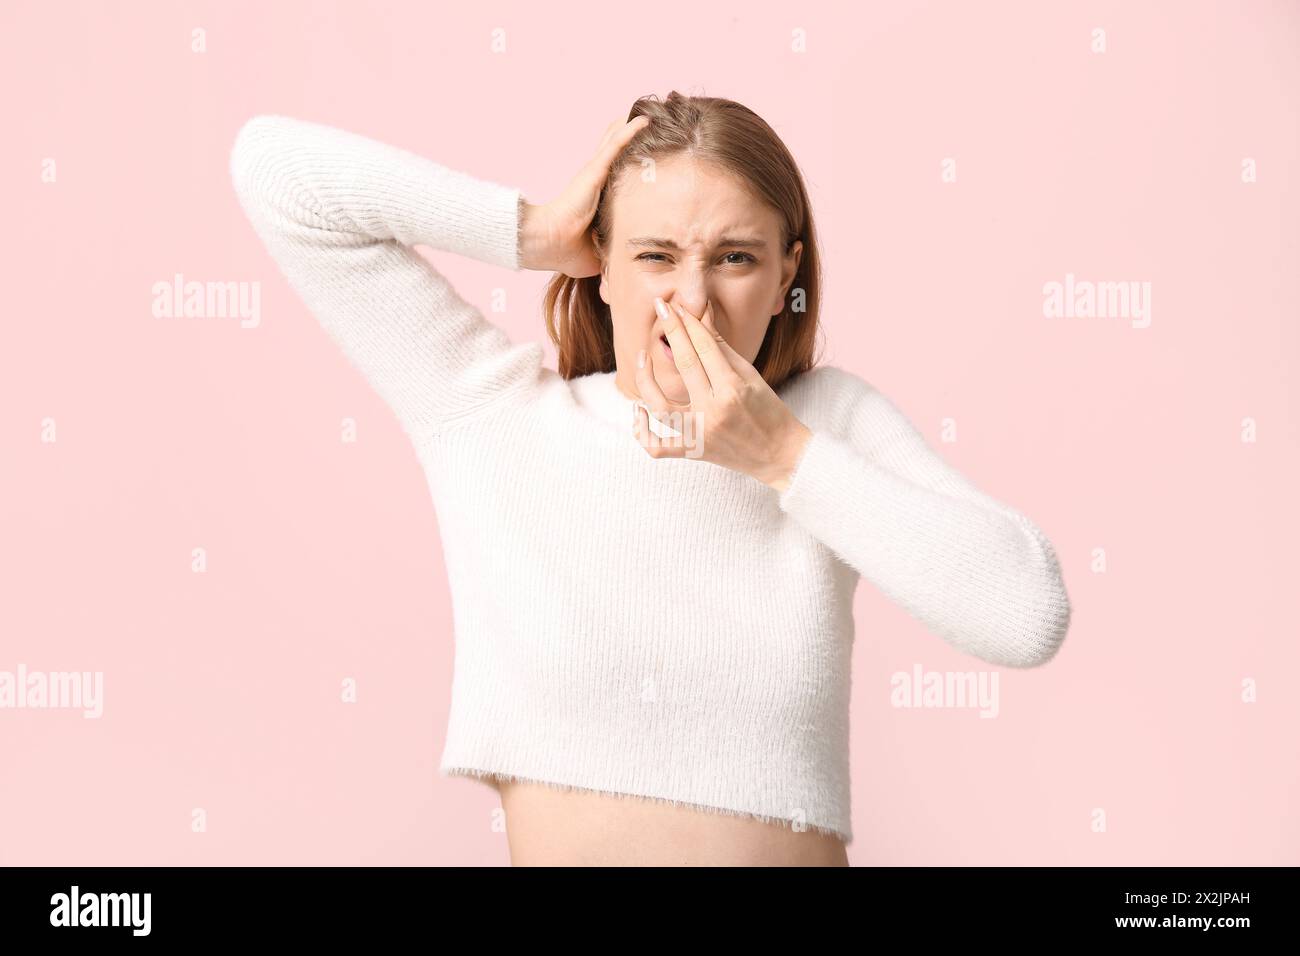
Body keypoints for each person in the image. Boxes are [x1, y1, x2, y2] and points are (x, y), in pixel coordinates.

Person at [229, 91, 1072, 867]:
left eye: (736, 257)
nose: (693, 301)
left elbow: (1026, 615)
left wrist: (782, 456)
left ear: (787, 275)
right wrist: (530, 232)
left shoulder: (825, 424)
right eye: (655, 255)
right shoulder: (495, 419)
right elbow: (274, 170)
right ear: (603, 265)